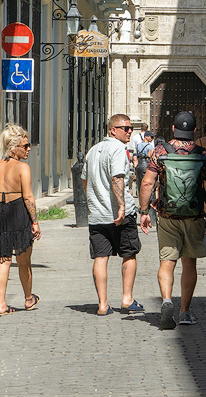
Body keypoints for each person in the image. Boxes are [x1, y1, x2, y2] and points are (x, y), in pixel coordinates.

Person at [138, 111, 206, 330]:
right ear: (195, 131)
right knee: (189, 262)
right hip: (194, 216)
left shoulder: (160, 151)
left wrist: (144, 211)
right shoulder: (203, 153)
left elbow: (147, 184)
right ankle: (185, 311)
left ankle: (167, 300)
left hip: (168, 215)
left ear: (174, 129)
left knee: (167, 262)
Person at [83, 114, 144, 316]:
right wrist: (121, 206)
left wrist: (91, 199)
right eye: (125, 128)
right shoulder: (118, 149)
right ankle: (127, 299)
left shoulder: (93, 151)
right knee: (128, 253)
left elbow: (84, 179)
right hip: (120, 214)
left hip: (97, 215)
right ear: (112, 130)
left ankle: (102, 304)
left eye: (131, 128)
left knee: (101, 257)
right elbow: (117, 177)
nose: (129, 132)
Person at [0, 124, 42, 315]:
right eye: (25, 146)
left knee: (2, 260)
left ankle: (1, 304)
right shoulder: (23, 168)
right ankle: (29, 299)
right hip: (18, 213)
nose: (28, 149)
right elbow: (28, 197)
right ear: (13, 147)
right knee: (24, 261)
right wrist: (35, 222)